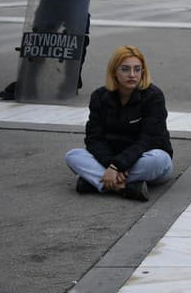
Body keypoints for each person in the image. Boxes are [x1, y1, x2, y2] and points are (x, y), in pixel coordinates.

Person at [64, 46, 173, 201]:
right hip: (110, 160)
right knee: (73, 156)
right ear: (114, 71)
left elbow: (149, 140)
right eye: (125, 69)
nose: (132, 75)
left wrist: (117, 167)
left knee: (159, 160)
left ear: (143, 71)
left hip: (144, 159)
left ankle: (95, 182)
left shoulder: (153, 96)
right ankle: (125, 188)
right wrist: (112, 165)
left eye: (137, 69)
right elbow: (94, 139)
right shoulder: (99, 96)